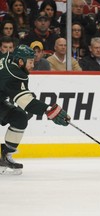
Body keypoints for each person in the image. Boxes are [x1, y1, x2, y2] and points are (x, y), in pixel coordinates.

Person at [0, 44, 70, 174]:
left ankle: (5, 156)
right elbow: (27, 103)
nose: (33, 65)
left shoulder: (8, 57)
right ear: (20, 61)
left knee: (19, 117)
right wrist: (49, 110)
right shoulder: (15, 75)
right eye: (30, 62)